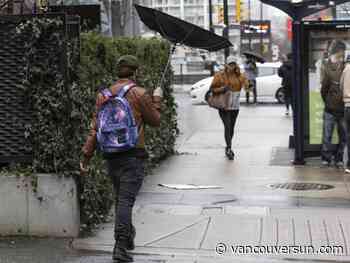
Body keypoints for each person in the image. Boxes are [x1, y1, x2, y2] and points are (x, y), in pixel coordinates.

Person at [80, 55, 162, 262]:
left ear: (117, 72)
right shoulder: (140, 93)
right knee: (125, 201)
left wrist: (86, 156)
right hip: (133, 155)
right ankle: (121, 247)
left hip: (111, 155)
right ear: (135, 72)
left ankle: (128, 236)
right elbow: (155, 121)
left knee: (121, 199)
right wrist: (157, 99)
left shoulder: (104, 96)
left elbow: (95, 129)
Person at [210, 56, 248, 160]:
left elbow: (247, 88)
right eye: (230, 64)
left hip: (235, 106)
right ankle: (229, 149)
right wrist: (223, 88)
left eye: (234, 64)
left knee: (231, 127)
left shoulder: (240, 75)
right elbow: (212, 89)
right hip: (224, 105)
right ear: (226, 65)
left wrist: (249, 85)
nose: (232, 66)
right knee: (227, 126)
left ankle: (227, 146)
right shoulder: (220, 75)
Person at [320, 40, 346, 168]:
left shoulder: (346, 68)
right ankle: (331, 158)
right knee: (330, 135)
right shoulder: (327, 68)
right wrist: (328, 101)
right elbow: (323, 90)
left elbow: (324, 91)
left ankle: (335, 158)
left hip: (339, 108)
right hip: (332, 108)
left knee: (339, 136)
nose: (341, 57)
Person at [341, 55, 350, 173]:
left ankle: (349, 165)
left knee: (349, 136)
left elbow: (341, 85)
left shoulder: (346, 69)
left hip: (348, 106)